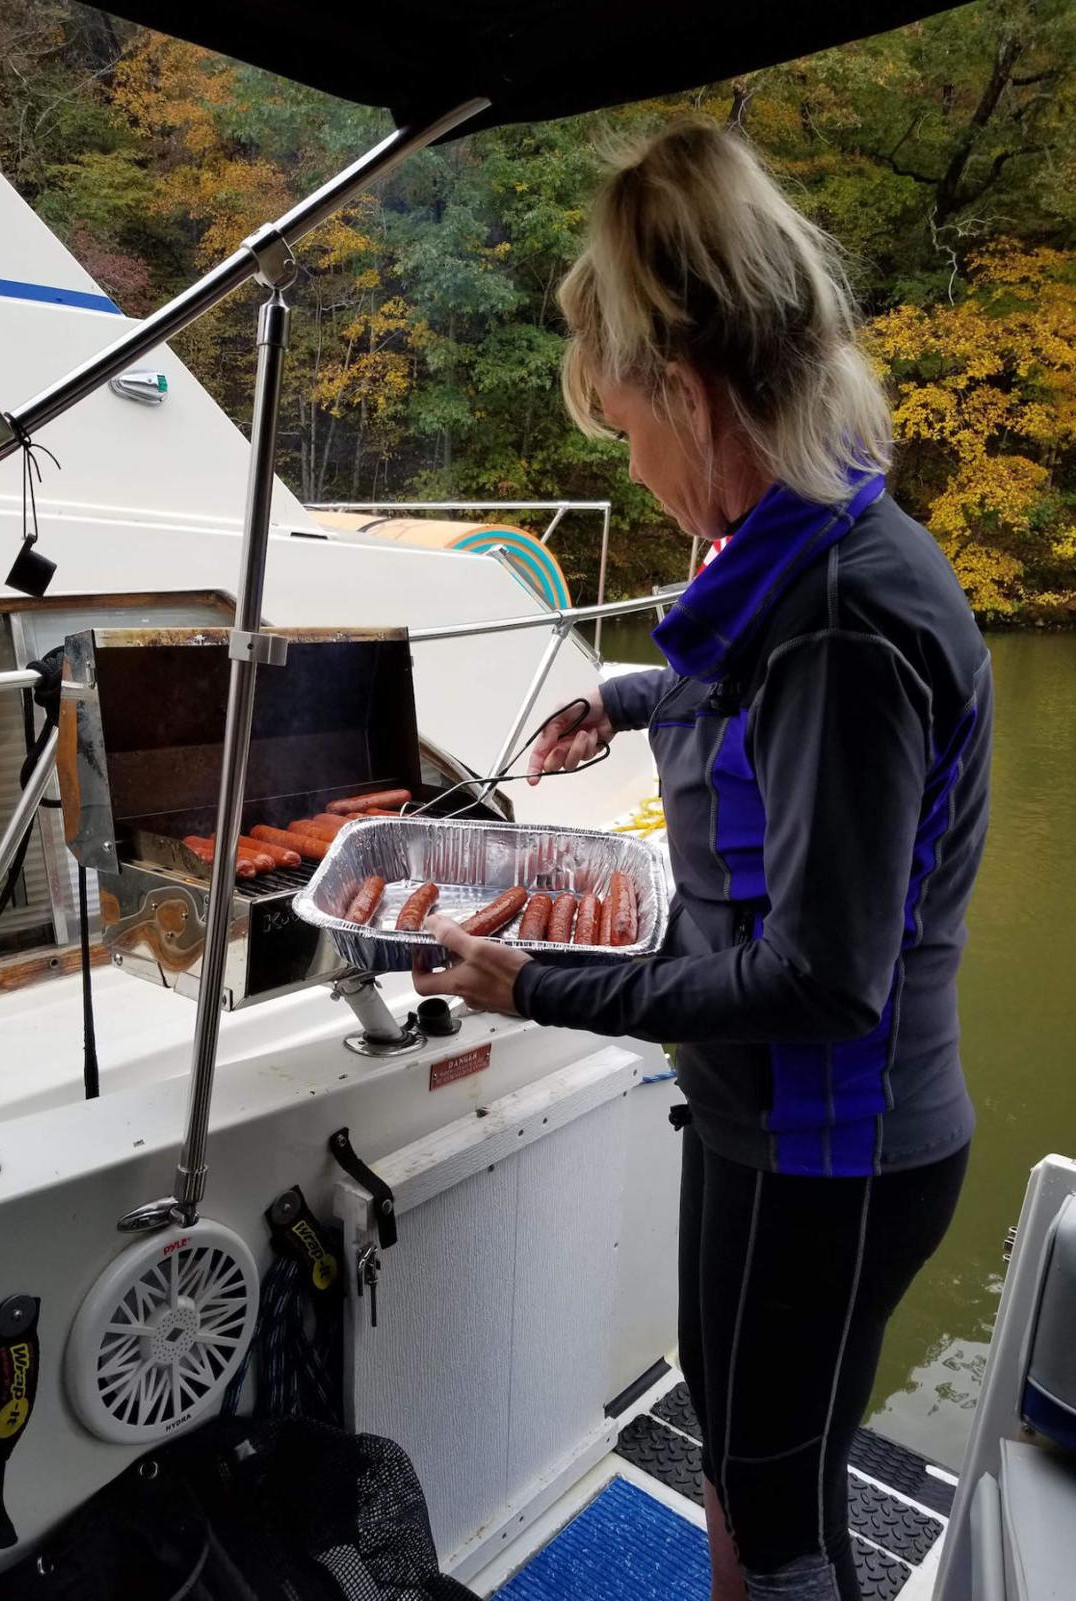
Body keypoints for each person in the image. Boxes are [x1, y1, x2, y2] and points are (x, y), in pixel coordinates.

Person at [413, 118, 990, 1601]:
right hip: (760, 1122)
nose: (636, 462)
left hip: (835, 1146)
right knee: (742, 1456)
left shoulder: (850, 619)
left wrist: (544, 984)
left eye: (630, 428)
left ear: (696, 388)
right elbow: (743, 688)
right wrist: (627, 694)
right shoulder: (797, 537)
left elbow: (822, 978)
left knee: (784, 1516)